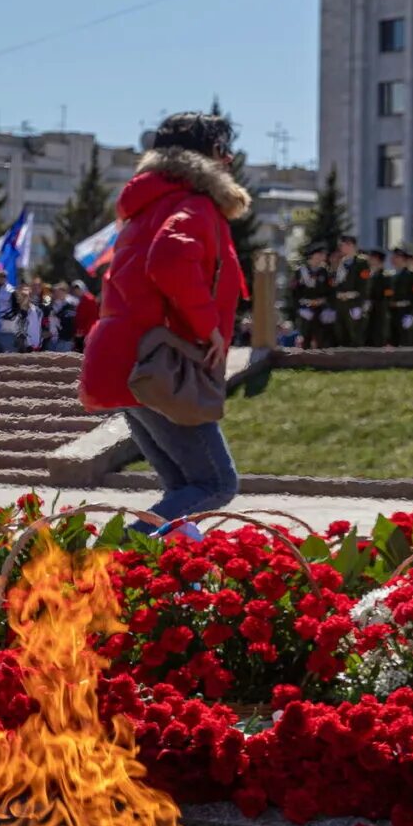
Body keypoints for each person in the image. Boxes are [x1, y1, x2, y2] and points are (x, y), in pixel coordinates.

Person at [79, 111, 250, 529]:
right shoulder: (195, 203)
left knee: (182, 489)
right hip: (157, 363)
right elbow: (171, 259)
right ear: (210, 156)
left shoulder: (149, 203)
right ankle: (114, 558)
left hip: (125, 359)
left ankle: (150, 576)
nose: (229, 161)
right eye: (223, 152)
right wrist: (208, 325)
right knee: (215, 483)